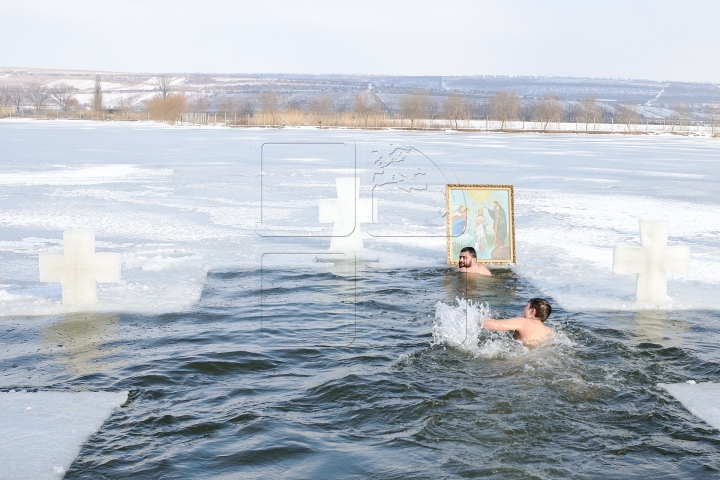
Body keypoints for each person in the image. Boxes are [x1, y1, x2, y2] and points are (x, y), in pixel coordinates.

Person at [482, 298, 553, 346]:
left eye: (526, 307)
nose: (523, 309)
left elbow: (487, 324)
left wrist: (474, 317)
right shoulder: (549, 331)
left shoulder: (524, 322)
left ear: (532, 311)